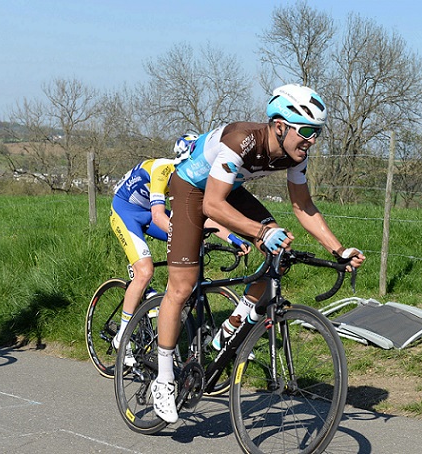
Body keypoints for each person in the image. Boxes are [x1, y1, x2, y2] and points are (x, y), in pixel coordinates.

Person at [152, 84, 366, 423]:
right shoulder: (242, 140)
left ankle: (232, 327)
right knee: (182, 286)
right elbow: (212, 204)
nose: (312, 140)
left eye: (318, 132)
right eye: (306, 131)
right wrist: (261, 231)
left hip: (229, 189)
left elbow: (303, 205)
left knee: (280, 250)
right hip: (193, 190)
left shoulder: (296, 153)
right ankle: (163, 379)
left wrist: (339, 249)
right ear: (280, 126)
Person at [109, 135, 250, 367]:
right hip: (126, 212)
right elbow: (158, 216)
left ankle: (163, 301)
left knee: (189, 249)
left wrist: (233, 238)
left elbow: (202, 218)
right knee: (145, 271)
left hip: (148, 213)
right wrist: (186, 237)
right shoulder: (162, 169)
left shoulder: (191, 179)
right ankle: (122, 338)